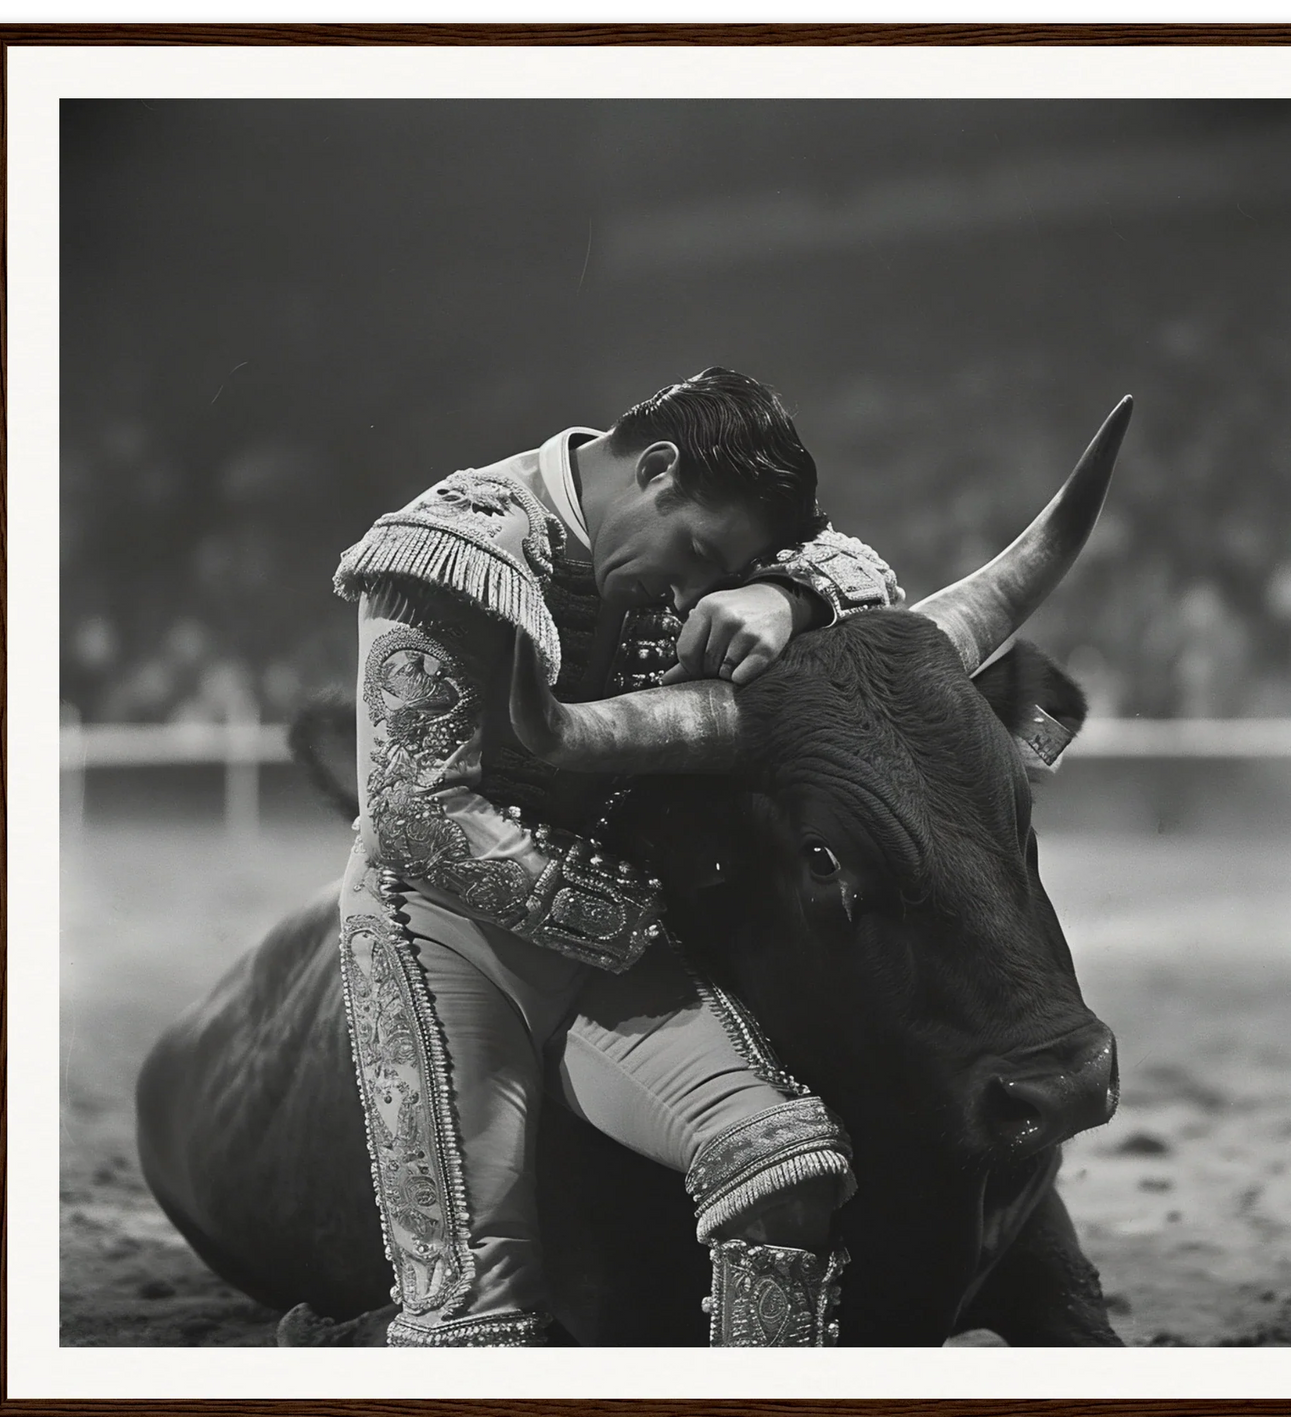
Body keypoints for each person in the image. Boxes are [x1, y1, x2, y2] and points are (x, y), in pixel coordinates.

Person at [329, 368, 903, 1347]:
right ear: (659, 470)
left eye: (714, 570)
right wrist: (633, 920)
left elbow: (872, 578)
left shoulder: (717, 549)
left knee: (785, 1164)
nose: (690, 591)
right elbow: (417, 812)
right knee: (471, 1313)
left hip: (609, 933)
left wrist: (783, 594)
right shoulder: (457, 536)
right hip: (436, 930)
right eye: (694, 552)